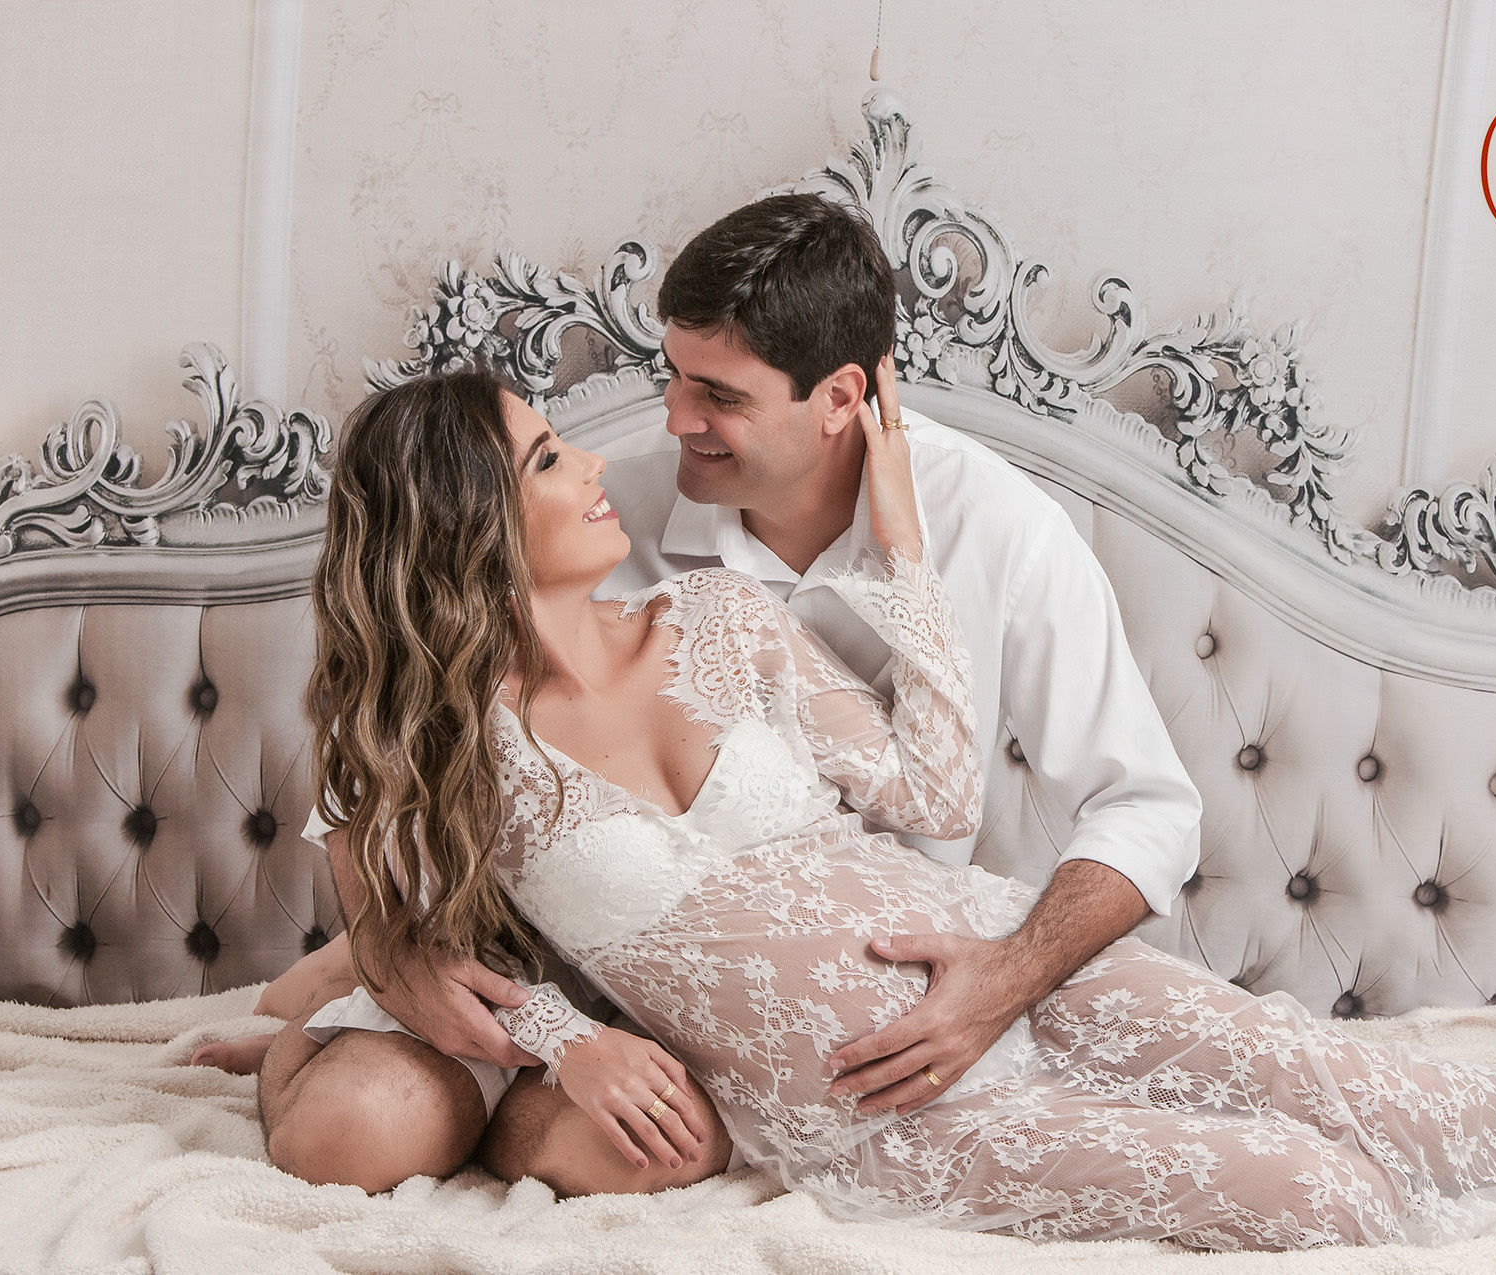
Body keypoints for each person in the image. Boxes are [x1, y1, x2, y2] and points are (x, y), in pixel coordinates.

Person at [249, 362, 1496, 1251]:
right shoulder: (428, 748)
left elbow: (936, 786)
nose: (595, 469)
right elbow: (400, 947)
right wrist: (563, 1037)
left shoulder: (720, 622)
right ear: (464, 519)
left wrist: (901, 547)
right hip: (888, 1099)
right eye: (545, 461)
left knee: (1313, 1065)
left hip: (995, 954)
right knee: (1319, 1189)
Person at [206, 192, 1210, 1195]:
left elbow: (1142, 806)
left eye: (718, 395)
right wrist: (404, 968)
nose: (673, 419)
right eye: (673, 377)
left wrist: (1006, 979)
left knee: (662, 1143)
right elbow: (404, 709)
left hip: (855, 988)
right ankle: (339, 1028)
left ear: (839, 397)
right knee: (373, 1118)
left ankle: (381, 1037)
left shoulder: (999, 531)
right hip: (568, 956)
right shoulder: (618, 506)